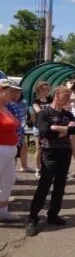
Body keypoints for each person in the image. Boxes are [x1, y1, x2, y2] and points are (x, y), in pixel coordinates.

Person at [25, 86, 75, 236]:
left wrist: (57, 128)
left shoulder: (68, 114)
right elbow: (45, 132)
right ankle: (32, 218)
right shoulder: (44, 113)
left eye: (69, 97)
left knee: (60, 186)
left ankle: (53, 215)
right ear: (57, 95)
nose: (69, 100)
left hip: (65, 152)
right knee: (44, 186)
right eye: (66, 97)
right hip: (49, 153)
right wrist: (64, 130)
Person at [0, 79, 22, 221]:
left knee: (8, 180)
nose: (12, 94)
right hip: (1, 148)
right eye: (9, 91)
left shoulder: (6, 107)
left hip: (10, 149)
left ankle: (3, 210)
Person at [31, 81, 52, 179]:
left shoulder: (50, 99)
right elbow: (39, 111)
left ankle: (48, 169)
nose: (47, 92)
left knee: (49, 148)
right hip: (39, 127)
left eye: (48, 90)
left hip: (49, 127)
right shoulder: (35, 101)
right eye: (44, 90)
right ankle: (37, 169)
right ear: (39, 90)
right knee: (39, 149)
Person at [6, 89, 30, 172]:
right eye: (15, 92)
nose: (17, 94)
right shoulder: (6, 104)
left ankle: (13, 172)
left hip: (20, 132)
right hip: (11, 133)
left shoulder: (22, 104)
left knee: (15, 153)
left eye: (19, 92)